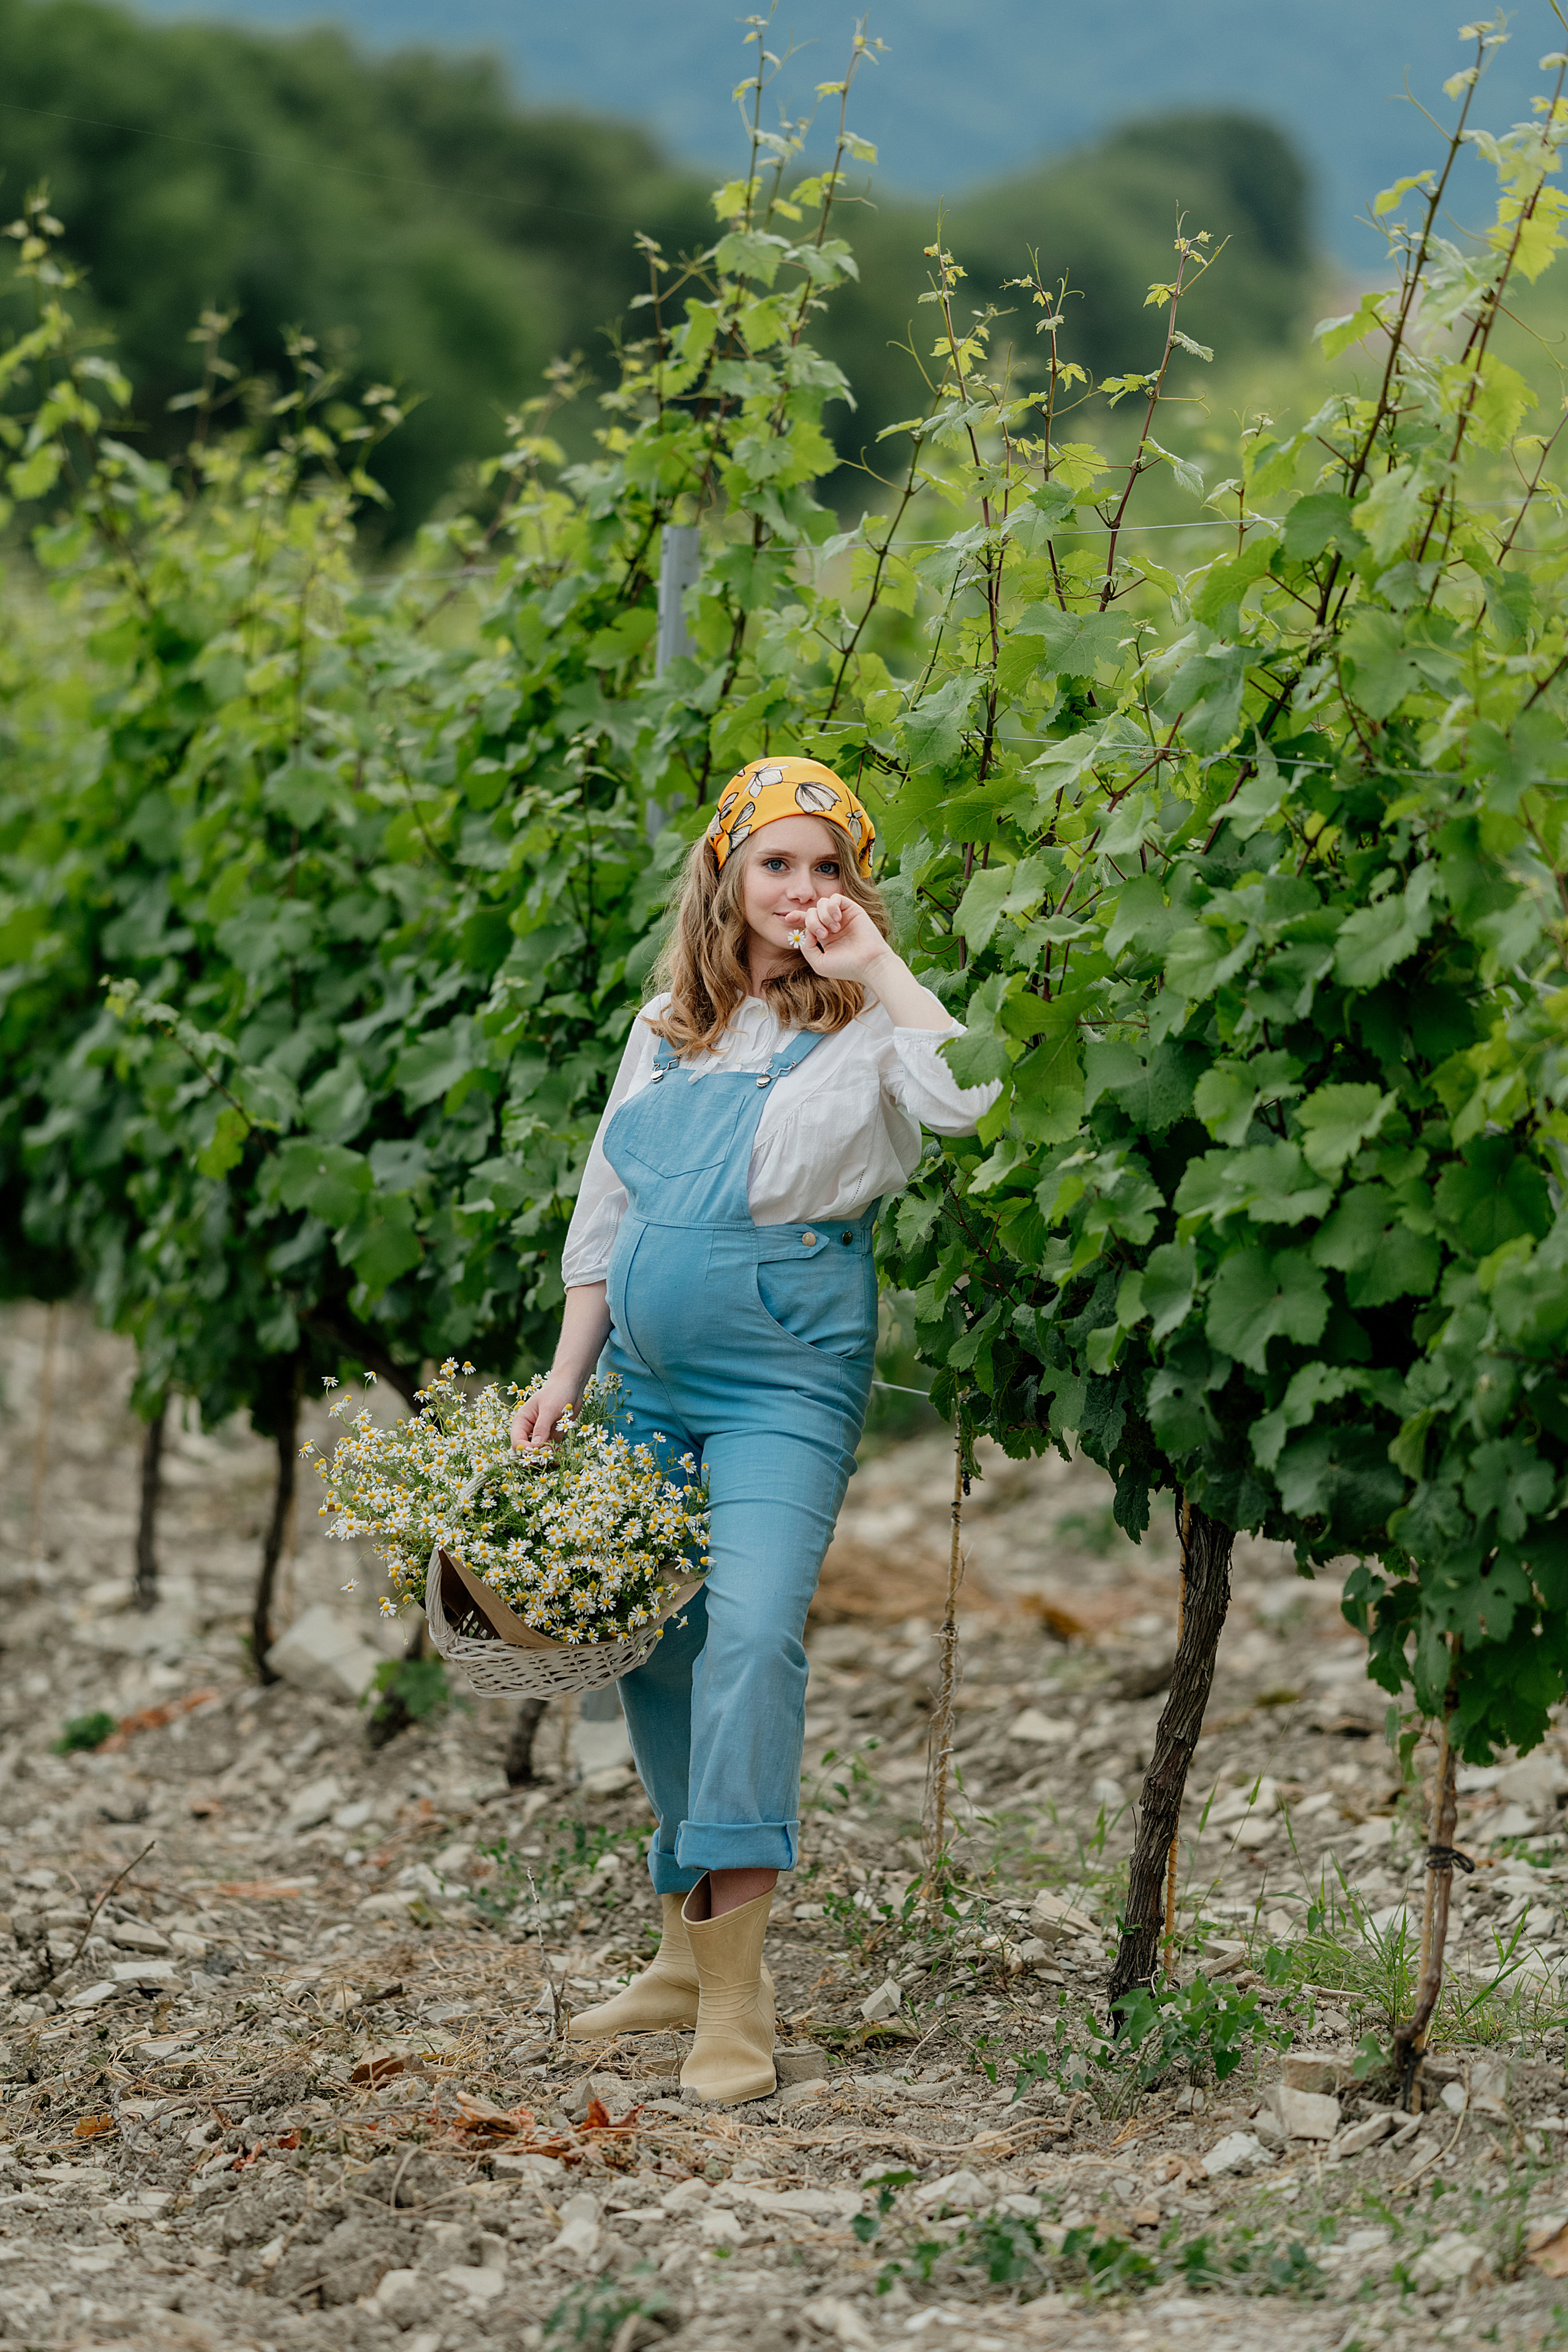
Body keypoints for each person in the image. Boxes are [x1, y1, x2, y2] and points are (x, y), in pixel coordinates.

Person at [510, 755, 1000, 2103]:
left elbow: (969, 1098)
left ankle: (738, 1999)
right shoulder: (668, 1022)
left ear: (854, 886)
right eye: (775, 864)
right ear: (726, 873)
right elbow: (602, 1217)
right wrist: (565, 1378)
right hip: (646, 1383)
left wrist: (884, 967)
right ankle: (681, 1947)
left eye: (827, 867)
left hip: (783, 1374)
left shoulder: (867, 1029)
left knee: (752, 1631)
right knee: (648, 1645)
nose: (800, 890)